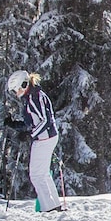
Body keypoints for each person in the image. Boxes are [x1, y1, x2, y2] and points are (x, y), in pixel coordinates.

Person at [9, 69, 68, 213]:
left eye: (15, 89)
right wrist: (16, 125)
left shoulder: (36, 97)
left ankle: (49, 208)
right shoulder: (31, 97)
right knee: (41, 174)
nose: (15, 94)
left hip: (45, 138)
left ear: (23, 85)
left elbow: (45, 120)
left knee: (36, 175)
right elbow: (33, 121)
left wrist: (31, 133)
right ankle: (53, 205)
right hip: (43, 137)